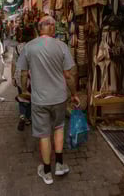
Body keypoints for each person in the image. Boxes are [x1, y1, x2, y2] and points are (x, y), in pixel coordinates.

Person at [18, 16, 80, 185]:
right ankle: (59, 164)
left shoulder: (29, 47)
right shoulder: (61, 46)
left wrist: (24, 91)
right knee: (59, 128)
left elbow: (23, 74)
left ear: (39, 28)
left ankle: (46, 172)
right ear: (52, 28)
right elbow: (69, 74)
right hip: (59, 98)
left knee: (44, 134)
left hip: (39, 100)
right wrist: (74, 94)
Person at [11, 25, 36, 131]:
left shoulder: (18, 47)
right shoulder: (36, 46)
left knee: (22, 95)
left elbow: (13, 63)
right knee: (31, 97)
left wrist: (12, 77)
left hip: (19, 74)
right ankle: (28, 118)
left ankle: (22, 116)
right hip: (33, 75)